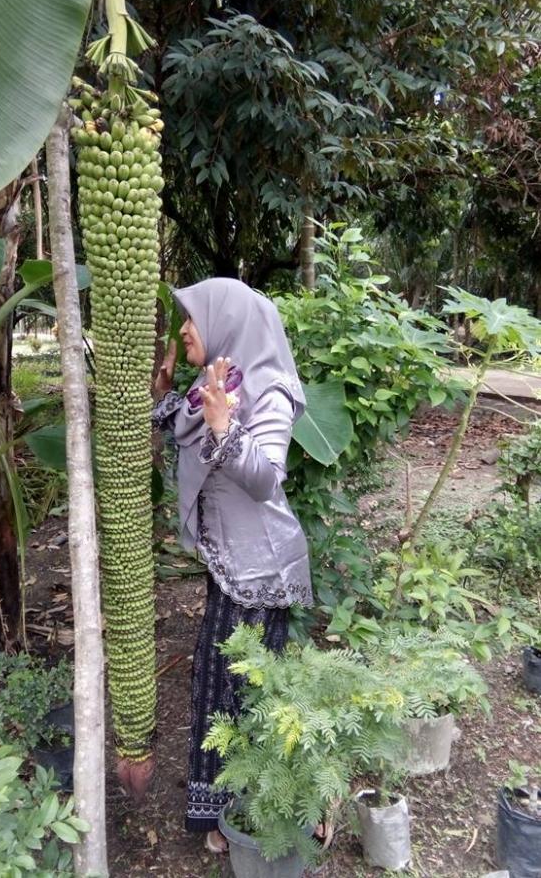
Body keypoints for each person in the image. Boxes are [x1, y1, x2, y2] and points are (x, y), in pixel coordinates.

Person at [152, 278, 314, 854]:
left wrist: (226, 428)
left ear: (225, 321)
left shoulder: (266, 389)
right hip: (231, 563)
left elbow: (267, 473)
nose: (184, 331)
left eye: (192, 319)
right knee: (223, 686)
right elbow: (187, 428)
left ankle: (233, 818)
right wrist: (166, 392)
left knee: (230, 690)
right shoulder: (220, 381)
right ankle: (230, 812)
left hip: (258, 570)